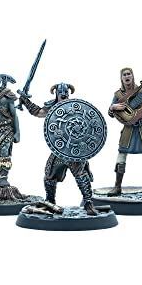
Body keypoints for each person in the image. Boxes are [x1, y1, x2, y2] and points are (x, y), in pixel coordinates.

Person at [20, 82, 100, 216]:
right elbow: (38, 112)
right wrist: (26, 102)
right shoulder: (52, 108)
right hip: (60, 150)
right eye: (61, 92)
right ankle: (50, 202)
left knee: (81, 176)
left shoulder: (76, 108)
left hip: (75, 150)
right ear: (56, 94)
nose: (63, 95)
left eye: (66, 93)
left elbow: (90, 124)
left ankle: (88, 203)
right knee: (49, 176)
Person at [107, 67, 142, 196]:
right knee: (121, 155)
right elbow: (110, 113)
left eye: (129, 74)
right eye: (124, 74)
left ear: (132, 75)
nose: (127, 76)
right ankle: (117, 186)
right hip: (128, 128)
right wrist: (113, 107)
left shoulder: (141, 91)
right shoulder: (118, 95)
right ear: (121, 78)